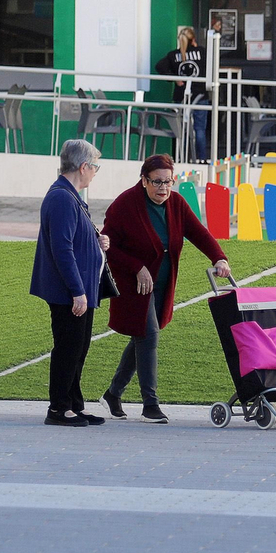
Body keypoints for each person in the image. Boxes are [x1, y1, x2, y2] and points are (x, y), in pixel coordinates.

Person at [100, 154, 231, 424]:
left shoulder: (176, 204)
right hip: (133, 282)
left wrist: (219, 257)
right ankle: (150, 404)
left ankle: (113, 394)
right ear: (144, 180)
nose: (163, 188)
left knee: (142, 336)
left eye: (168, 182)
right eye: (157, 182)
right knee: (148, 336)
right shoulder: (125, 204)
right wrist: (137, 266)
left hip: (162, 281)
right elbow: (108, 246)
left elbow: (198, 232)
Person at [31, 139, 111, 427]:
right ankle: (59, 407)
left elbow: (73, 239)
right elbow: (61, 248)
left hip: (80, 290)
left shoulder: (70, 195)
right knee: (68, 348)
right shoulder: (62, 198)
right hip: (70, 292)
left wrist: (96, 240)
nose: (95, 173)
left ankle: (73, 405)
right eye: (95, 167)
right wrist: (77, 291)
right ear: (84, 166)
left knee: (79, 348)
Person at [154, 26, 205, 106]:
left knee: (180, 118)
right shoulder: (201, 51)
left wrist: (175, 78)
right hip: (199, 95)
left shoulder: (173, 55)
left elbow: (159, 66)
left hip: (181, 95)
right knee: (200, 118)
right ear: (193, 40)